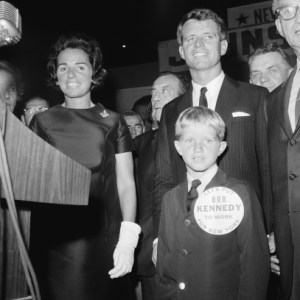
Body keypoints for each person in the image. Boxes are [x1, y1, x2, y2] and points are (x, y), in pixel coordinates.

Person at [29, 32, 141, 300]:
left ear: (94, 74)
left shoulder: (113, 121)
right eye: (63, 67)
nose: (70, 74)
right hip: (54, 241)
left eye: (80, 66)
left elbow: (126, 183)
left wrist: (128, 238)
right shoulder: (42, 122)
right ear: (55, 75)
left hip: (103, 237)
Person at [153, 8, 271, 249]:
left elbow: (268, 170)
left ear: (224, 46)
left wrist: (270, 230)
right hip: (186, 233)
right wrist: (160, 237)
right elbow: (164, 179)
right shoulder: (170, 111)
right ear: (181, 51)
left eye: (208, 36)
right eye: (190, 38)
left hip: (244, 231)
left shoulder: (256, 97)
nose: (198, 43)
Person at [155, 106, 270, 300]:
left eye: (208, 140)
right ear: (177, 147)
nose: (197, 148)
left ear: (221, 147)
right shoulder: (170, 198)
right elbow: (163, 266)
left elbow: (254, 265)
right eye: (189, 140)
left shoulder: (240, 194)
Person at [133, 71, 189, 300]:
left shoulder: (198, 141)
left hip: (199, 250)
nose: (155, 97)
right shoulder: (137, 146)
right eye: (153, 92)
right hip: (152, 257)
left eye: (165, 90)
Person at [265, 1, 300, 299]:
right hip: (290, 250)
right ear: (279, 25)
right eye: (289, 9)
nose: (299, 17)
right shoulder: (274, 100)